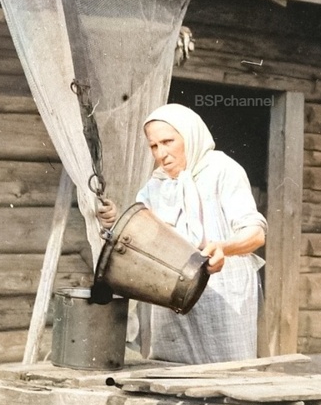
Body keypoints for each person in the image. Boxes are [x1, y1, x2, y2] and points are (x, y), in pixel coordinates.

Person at [97, 103, 267, 364]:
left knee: (228, 372)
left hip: (222, 294)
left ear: (189, 136)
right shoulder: (156, 185)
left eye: (168, 141)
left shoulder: (222, 170)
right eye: (154, 146)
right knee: (172, 370)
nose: (162, 154)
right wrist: (115, 220)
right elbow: (143, 236)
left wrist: (223, 247)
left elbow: (255, 234)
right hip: (171, 294)